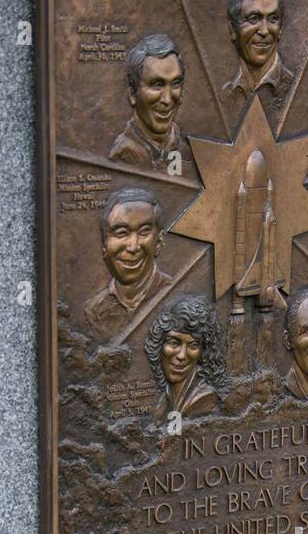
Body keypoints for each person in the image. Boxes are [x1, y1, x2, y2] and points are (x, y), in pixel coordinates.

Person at [83, 188, 172, 344]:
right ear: (105, 244)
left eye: (144, 232)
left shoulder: (174, 294)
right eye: (122, 233)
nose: (133, 246)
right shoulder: (94, 310)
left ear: (159, 242)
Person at [108, 34, 186, 172]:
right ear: (132, 93)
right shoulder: (121, 156)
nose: (167, 99)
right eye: (157, 85)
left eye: (175, 83)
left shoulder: (191, 152)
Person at [145, 295, 227, 420]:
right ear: (159, 345)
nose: (182, 355)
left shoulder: (205, 398)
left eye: (193, 345)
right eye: (174, 342)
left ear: (203, 352)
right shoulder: (164, 400)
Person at [223, 0, 293, 106]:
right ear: (233, 29)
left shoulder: (295, 87)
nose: (264, 31)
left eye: (273, 19)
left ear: (280, 29)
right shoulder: (226, 94)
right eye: (254, 18)